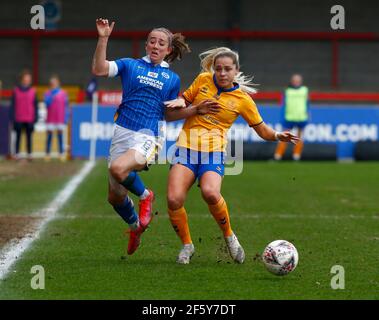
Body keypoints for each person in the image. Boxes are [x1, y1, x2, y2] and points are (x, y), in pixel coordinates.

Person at [165, 47, 300, 264]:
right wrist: (184, 102)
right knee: (173, 199)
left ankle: (229, 236)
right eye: (218, 68)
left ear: (236, 71)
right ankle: (187, 245)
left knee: (210, 192)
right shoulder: (202, 80)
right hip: (185, 149)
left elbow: (262, 130)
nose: (222, 72)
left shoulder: (242, 100)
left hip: (214, 152)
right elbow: (184, 101)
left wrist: (277, 135)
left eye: (227, 69)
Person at [91, 18, 191, 255]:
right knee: (115, 198)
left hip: (149, 135)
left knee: (118, 169)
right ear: (146, 45)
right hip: (122, 132)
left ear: (168, 50)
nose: (156, 46)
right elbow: (99, 69)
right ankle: (135, 227)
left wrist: (191, 108)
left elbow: (167, 113)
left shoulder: (172, 79)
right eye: (152, 41)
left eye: (161, 43)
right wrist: (103, 38)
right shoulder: (130, 65)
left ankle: (146, 196)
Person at [274, 74, 309, 161]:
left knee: (299, 137)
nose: (297, 82)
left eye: (298, 80)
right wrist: (282, 117)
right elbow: (283, 105)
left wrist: (308, 115)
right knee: (284, 136)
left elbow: (307, 104)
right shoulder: (286, 91)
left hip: (301, 117)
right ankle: (278, 155)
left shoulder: (305, 90)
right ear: (292, 81)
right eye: (295, 80)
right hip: (289, 117)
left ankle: (296, 155)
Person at [10, 70, 38, 161]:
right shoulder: (16, 90)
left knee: (29, 137)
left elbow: (35, 105)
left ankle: (29, 154)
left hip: (29, 118)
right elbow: (13, 105)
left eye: (28, 79)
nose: (27, 81)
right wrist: (12, 117)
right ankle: (17, 154)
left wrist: (35, 117)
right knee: (17, 137)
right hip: (18, 117)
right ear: (22, 80)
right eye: (25, 79)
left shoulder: (33, 91)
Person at [44, 74, 69, 161]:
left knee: (60, 137)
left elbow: (66, 106)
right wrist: (51, 95)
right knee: (49, 137)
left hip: (60, 118)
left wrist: (66, 117)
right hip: (50, 118)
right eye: (52, 83)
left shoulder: (63, 93)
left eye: (55, 82)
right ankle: (47, 154)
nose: (53, 84)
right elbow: (47, 104)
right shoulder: (47, 93)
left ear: (58, 83)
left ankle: (61, 153)